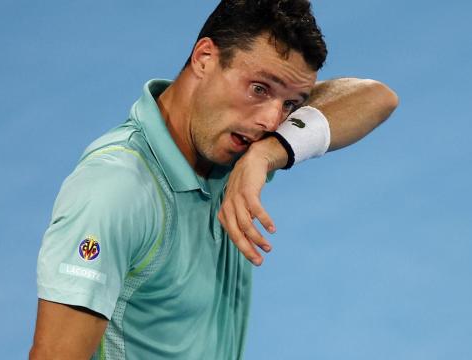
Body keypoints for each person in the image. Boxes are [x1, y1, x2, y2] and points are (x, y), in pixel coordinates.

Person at [30, 1, 398, 359]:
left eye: (290, 104)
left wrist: (269, 153)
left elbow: (377, 98)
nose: (271, 121)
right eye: (259, 89)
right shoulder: (116, 190)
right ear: (204, 57)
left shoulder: (237, 147)